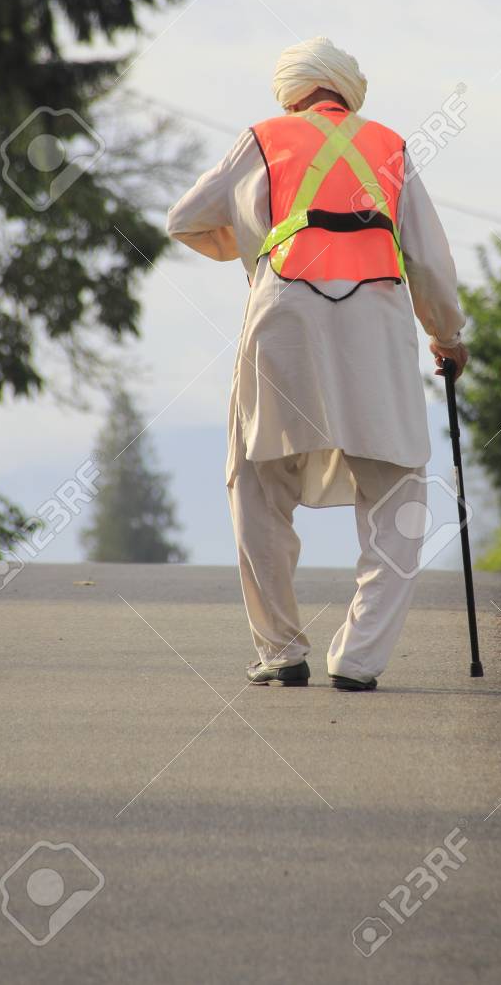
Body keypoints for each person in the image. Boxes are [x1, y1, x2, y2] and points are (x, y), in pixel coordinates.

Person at [166, 36, 467, 691]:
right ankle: (358, 657)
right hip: (377, 324)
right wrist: (447, 336)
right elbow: (429, 262)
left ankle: (280, 650)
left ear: (293, 93)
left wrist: (253, 236)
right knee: (398, 487)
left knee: (256, 477)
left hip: (283, 318)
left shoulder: (263, 137)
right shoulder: (390, 145)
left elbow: (183, 219)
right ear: (345, 92)